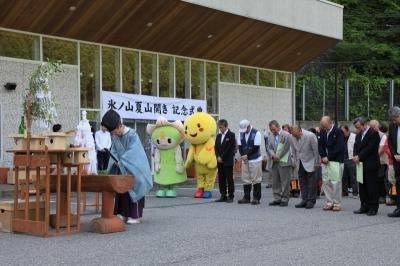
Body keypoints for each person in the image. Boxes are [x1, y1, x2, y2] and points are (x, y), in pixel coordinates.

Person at [102, 109, 153, 224]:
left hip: (134, 167)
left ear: (119, 126)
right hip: (122, 168)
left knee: (134, 189)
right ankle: (123, 214)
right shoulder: (115, 136)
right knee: (122, 191)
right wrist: (115, 161)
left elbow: (134, 152)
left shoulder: (132, 134)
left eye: (114, 131)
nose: (114, 134)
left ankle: (135, 215)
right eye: (112, 133)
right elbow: (114, 150)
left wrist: (122, 160)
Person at [353, 117, 380, 216]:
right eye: (356, 127)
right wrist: (355, 155)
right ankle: (364, 206)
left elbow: (370, 148)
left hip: (371, 163)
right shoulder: (358, 134)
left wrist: (359, 156)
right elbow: (356, 146)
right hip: (361, 163)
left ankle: (373, 207)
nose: (357, 129)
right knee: (362, 186)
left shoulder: (373, 133)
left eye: (358, 127)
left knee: (372, 186)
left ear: (364, 124)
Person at [319, 116, 345, 211]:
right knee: (326, 182)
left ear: (330, 123)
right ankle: (329, 202)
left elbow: (340, 147)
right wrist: (323, 156)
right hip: (325, 161)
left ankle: (337, 203)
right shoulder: (322, 131)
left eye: (325, 125)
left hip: (336, 161)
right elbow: (320, 145)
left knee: (336, 183)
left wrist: (328, 157)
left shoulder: (338, 132)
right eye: (322, 126)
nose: (323, 127)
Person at [266, 120, 295, 207]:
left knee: (285, 181)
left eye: (274, 129)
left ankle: (285, 199)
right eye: (271, 130)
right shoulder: (270, 136)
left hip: (284, 161)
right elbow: (269, 147)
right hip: (274, 161)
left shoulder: (286, 135)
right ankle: (277, 198)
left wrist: (279, 156)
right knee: (275, 181)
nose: (273, 131)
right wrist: (272, 155)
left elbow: (286, 147)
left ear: (278, 127)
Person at [291, 125, 319, 209]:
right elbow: (293, 150)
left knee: (311, 182)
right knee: (302, 182)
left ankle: (311, 201)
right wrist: (295, 161)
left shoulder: (310, 136)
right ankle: (304, 199)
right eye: (293, 135)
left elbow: (316, 150)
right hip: (300, 162)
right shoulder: (292, 136)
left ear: (300, 131)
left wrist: (316, 163)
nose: (294, 136)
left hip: (310, 161)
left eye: (296, 135)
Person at [237, 119, 262, 205]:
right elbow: (240, 146)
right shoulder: (241, 133)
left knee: (256, 179)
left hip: (255, 159)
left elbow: (256, 146)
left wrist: (247, 155)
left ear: (249, 126)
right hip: (245, 159)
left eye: (245, 129)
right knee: (246, 179)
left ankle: (256, 197)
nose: (244, 131)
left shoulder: (256, 133)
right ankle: (246, 197)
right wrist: (242, 155)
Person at [215, 119, 236, 203]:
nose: (220, 129)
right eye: (219, 127)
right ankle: (223, 195)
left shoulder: (231, 135)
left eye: (221, 127)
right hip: (219, 161)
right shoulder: (219, 136)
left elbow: (229, 148)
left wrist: (222, 157)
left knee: (229, 178)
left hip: (227, 160)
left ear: (226, 126)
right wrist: (218, 156)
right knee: (221, 178)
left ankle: (231, 196)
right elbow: (216, 147)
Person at [369, 120, 389, 204]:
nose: (372, 128)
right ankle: (375, 195)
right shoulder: (369, 135)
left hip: (381, 161)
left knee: (380, 178)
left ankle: (382, 196)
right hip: (372, 161)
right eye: (371, 127)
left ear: (378, 126)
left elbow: (380, 150)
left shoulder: (383, 136)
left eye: (374, 127)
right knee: (374, 179)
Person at [387, 106, 400, 217]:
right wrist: (394, 154)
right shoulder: (392, 126)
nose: (394, 121)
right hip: (397, 160)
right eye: (392, 120)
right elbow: (390, 141)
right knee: (398, 183)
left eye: (395, 119)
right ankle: (399, 208)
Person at [340, 125, 358, 198]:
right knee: (343, 177)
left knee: (353, 177)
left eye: (343, 132)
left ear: (348, 131)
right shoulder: (340, 137)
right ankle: (344, 192)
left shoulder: (355, 136)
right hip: (343, 158)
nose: (342, 134)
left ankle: (355, 193)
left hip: (352, 158)